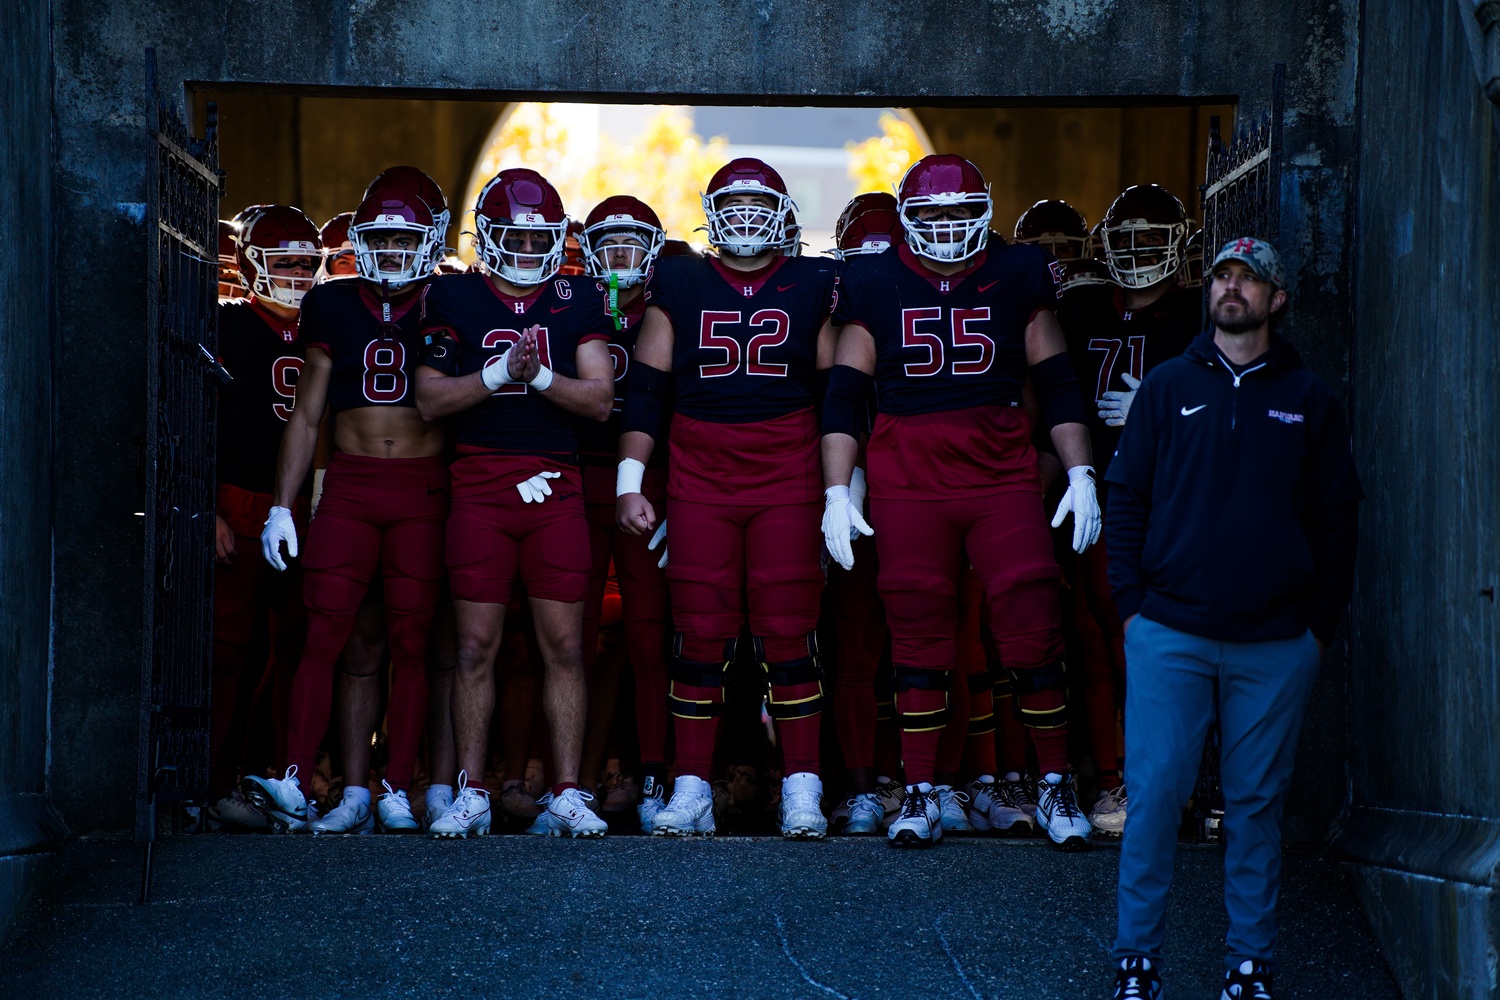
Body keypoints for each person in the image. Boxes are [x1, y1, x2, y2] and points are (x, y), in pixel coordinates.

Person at [1104, 237, 1362, 1000]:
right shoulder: (1166, 387)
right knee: (1153, 797)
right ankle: (1136, 963)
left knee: (1254, 806)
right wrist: (1132, 611)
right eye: (1222, 275)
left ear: (1276, 299)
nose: (1233, 288)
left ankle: (1249, 966)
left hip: (1276, 643)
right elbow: (1127, 499)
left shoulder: (1309, 398)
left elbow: (1339, 519)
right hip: (1170, 634)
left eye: (1249, 279)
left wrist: (1317, 628)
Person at [822, 153, 1100, 849]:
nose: (946, 229)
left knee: (1032, 623)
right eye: (932, 216)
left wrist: (1080, 473)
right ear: (908, 222)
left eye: (958, 213)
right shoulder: (872, 280)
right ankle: (920, 789)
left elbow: (1060, 382)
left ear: (984, 213)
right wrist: (836, 488)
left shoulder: (1017, 273)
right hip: (909, 476)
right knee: (917, 637)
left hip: (999, 471)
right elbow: (846, 395)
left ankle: (1057, 783)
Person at [615, 157, 839, 840]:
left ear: (783, 213)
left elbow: (838, 394)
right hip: (701, 472)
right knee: (700, 637)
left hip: (787, 470)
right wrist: (631, 477)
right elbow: (648, 391)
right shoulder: (680, 278)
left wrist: (842, 485)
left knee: (788, 631)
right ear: (710, 212)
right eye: (731, 203)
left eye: (756, 202)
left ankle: (803, 785)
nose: (743, 216)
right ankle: (690, 788)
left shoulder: (813, 281)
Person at [243, 171, 451, 835]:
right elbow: (306, 417)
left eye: (403, 238)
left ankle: (395, 786)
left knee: (412, 644)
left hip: (424, 487)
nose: (390, 250)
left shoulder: (452, 298)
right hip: (353, 487)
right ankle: (308, 780)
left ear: (430, 242)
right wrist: (284, 503)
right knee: (330, 635)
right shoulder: (332, 304)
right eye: (380, 238)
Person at [415, 167, 615, 839]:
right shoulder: (454, 296)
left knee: (564, 644)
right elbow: (430, 399)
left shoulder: (577, 296)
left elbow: (599, 399)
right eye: (517, 241)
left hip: (556, 483)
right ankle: (472, 789)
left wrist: (540, 376)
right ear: (489, 237)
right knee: (475, 645)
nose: (529, 255)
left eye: (540, 243)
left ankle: (565, 790)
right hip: (479, 481)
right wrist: (502, 373)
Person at [1062, 183, 1201, 836]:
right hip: (1095, 492)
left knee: (1158, 643)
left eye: (1154, 238)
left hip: (1174, 497)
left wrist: (1164, 402)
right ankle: (1114, 779)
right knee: (1096, 641)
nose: (1141, 252)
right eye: (1129, 239)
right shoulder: (1082, 309)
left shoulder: (1198, 316)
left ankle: (1169, 780)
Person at [205, 205, 320, 830]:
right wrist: (209, 508)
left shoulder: (324, 326)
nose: (299, 272)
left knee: (302, 646)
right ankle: (215, 781)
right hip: (239, 500)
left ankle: (285, 778)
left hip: (307, 504)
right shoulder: (226, 326)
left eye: (307, 262)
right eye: (286, 261)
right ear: (252, 264)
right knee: (231, 651)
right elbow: (190, 420)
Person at [574, 195, 676, 832]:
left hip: (651, 486)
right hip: (577, 479)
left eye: (632, 243)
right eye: (608, 243)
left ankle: (655, 773)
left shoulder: (672, 310)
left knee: (649, 637)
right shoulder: (566, 303)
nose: (619, 256)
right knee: (573, 641)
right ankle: (573, 777)